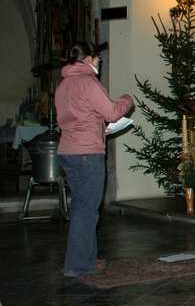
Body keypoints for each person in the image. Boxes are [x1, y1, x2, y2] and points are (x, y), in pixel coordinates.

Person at [55, 42, 133, 277]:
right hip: (87, 154)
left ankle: (88, 260)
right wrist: (127, 99)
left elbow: (78, 118)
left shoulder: (63, 85)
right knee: (86, 210)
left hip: (69, 152)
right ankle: (77, 265)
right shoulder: (88, 82)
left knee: (83, 207)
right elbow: (111, 112)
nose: (99, 62)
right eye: (98, 58)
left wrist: (101, 129)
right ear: (89, 58)